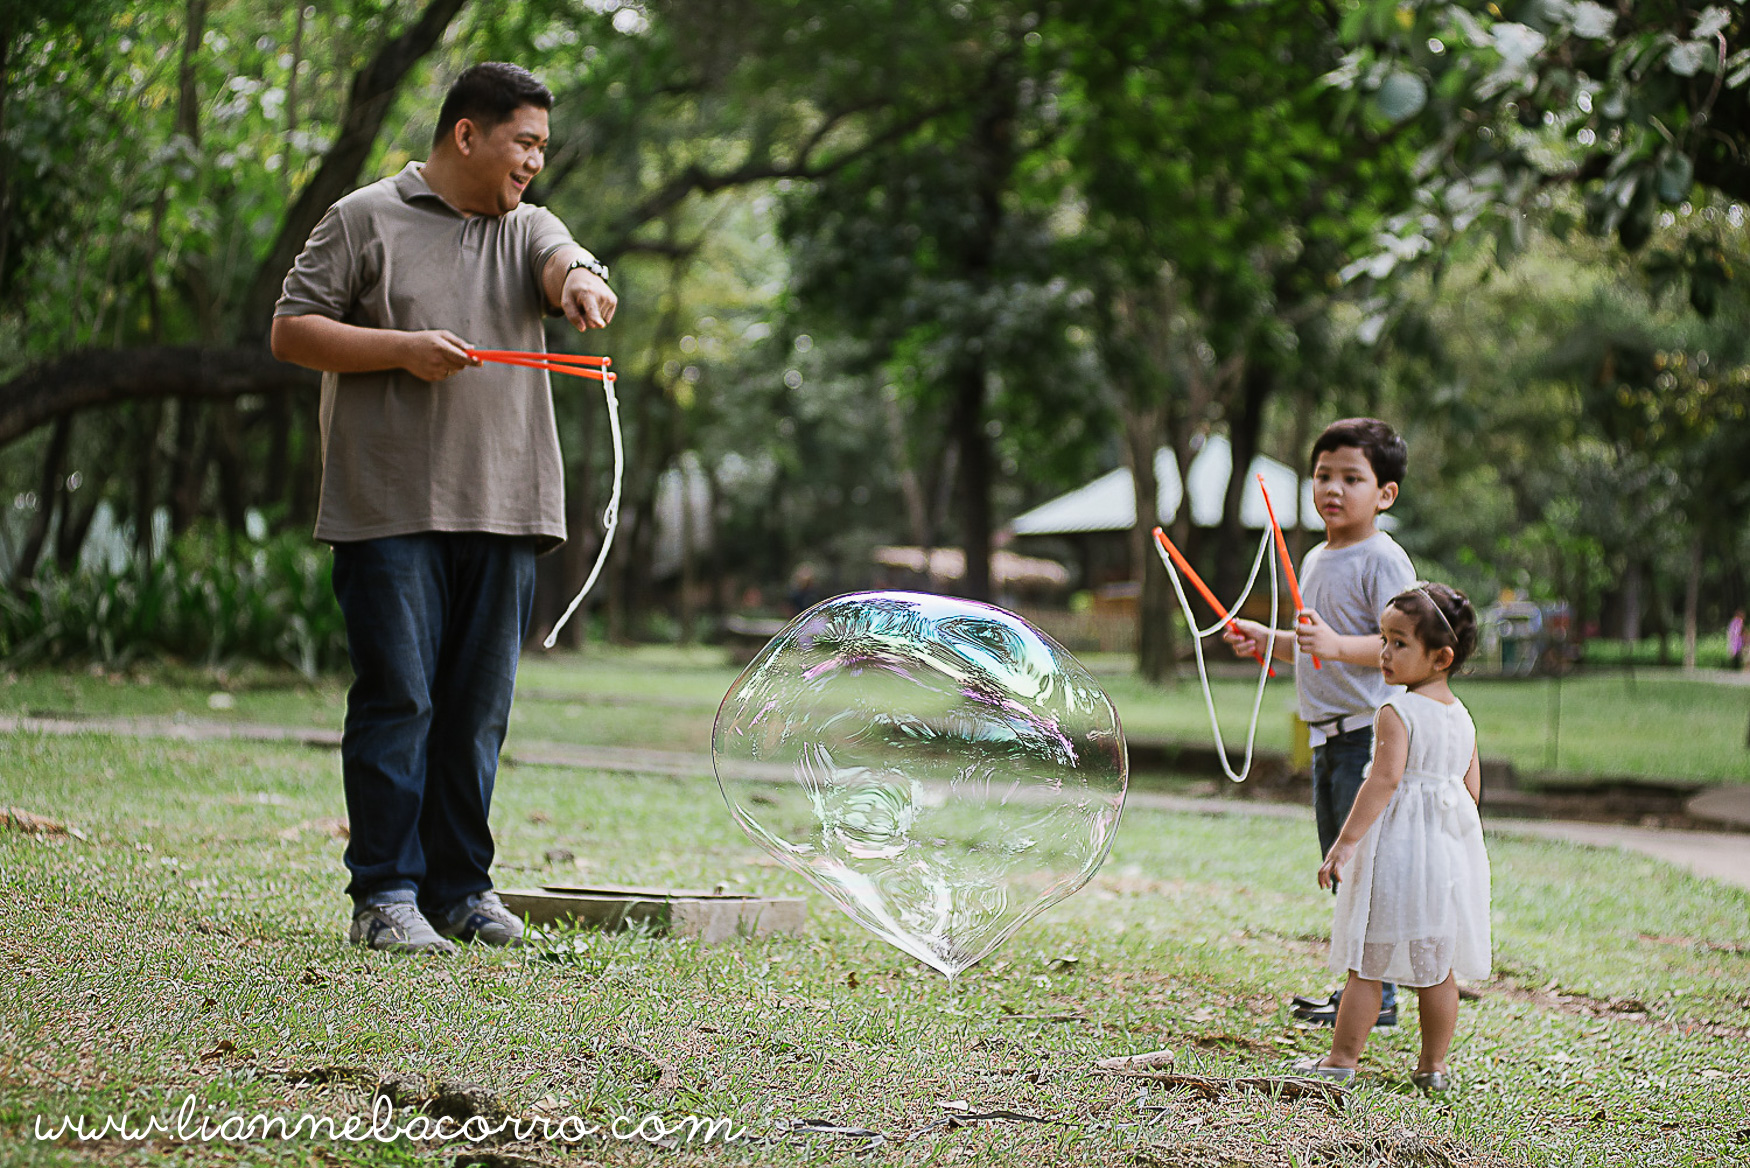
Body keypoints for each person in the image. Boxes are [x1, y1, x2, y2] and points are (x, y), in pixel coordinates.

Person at [270, 63, 618, 954]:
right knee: (400, 699)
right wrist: (401, 351)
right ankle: (385, 894)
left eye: (543, 146)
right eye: (525, 142)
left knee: (475, 712)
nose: (536, 161)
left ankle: (463, 891)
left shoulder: (528, 228)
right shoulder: (362, 218)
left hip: (507, 507)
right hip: (386, 507)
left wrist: (582, 278)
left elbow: (559, 257)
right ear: (468, 134)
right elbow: (292, 329)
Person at [1224, 418, 1416, 1026]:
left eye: (1352, 478)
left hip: (1366, 732)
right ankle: (1364, 992)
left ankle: (1377, 997)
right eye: (1323, 475)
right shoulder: (1313, 556)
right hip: (1325, 736)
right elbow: (1316, 645)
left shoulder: (1383, 558)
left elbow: (1401, 644)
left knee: (1362, 864)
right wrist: (1267, 639)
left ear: (1385, 493)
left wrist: (1333, 646)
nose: (1333, 489)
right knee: (1340, 867)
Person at [1292, 583, 1489, 1092]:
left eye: (1398, 643)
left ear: (1440, 656)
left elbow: (1383, 781)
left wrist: (1345, 843)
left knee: (1368, 963)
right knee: (1437, 967)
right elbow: (1472, 790)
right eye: (1383, 639)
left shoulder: (1396, 712)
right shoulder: (1462, 717)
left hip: (1400, 852)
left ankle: (1340, 1061)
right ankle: (1432, 1068)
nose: (1383, 652)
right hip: (1446, 855)